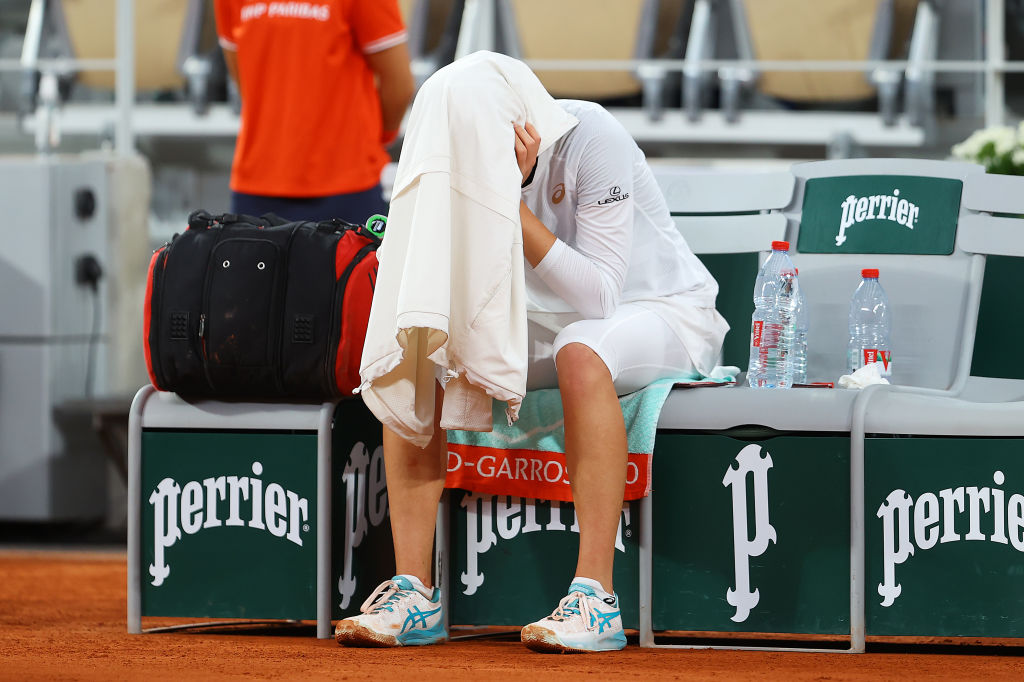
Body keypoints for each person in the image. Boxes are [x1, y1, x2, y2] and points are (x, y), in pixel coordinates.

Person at [335, 52, 728, 653]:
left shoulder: (592, 136)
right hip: (545, 322)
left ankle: (596, 597)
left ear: (516, 125)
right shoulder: (447, 164)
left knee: (581, 349)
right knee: (420, 352)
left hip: (665, 311)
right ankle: (413, 589)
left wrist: (511, 207)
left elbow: (600, 296)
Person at [214, 0, 415, 223]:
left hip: (347, 185)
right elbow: (246, 76)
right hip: (259, 183)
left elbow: (399, 85)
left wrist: (373, 140)